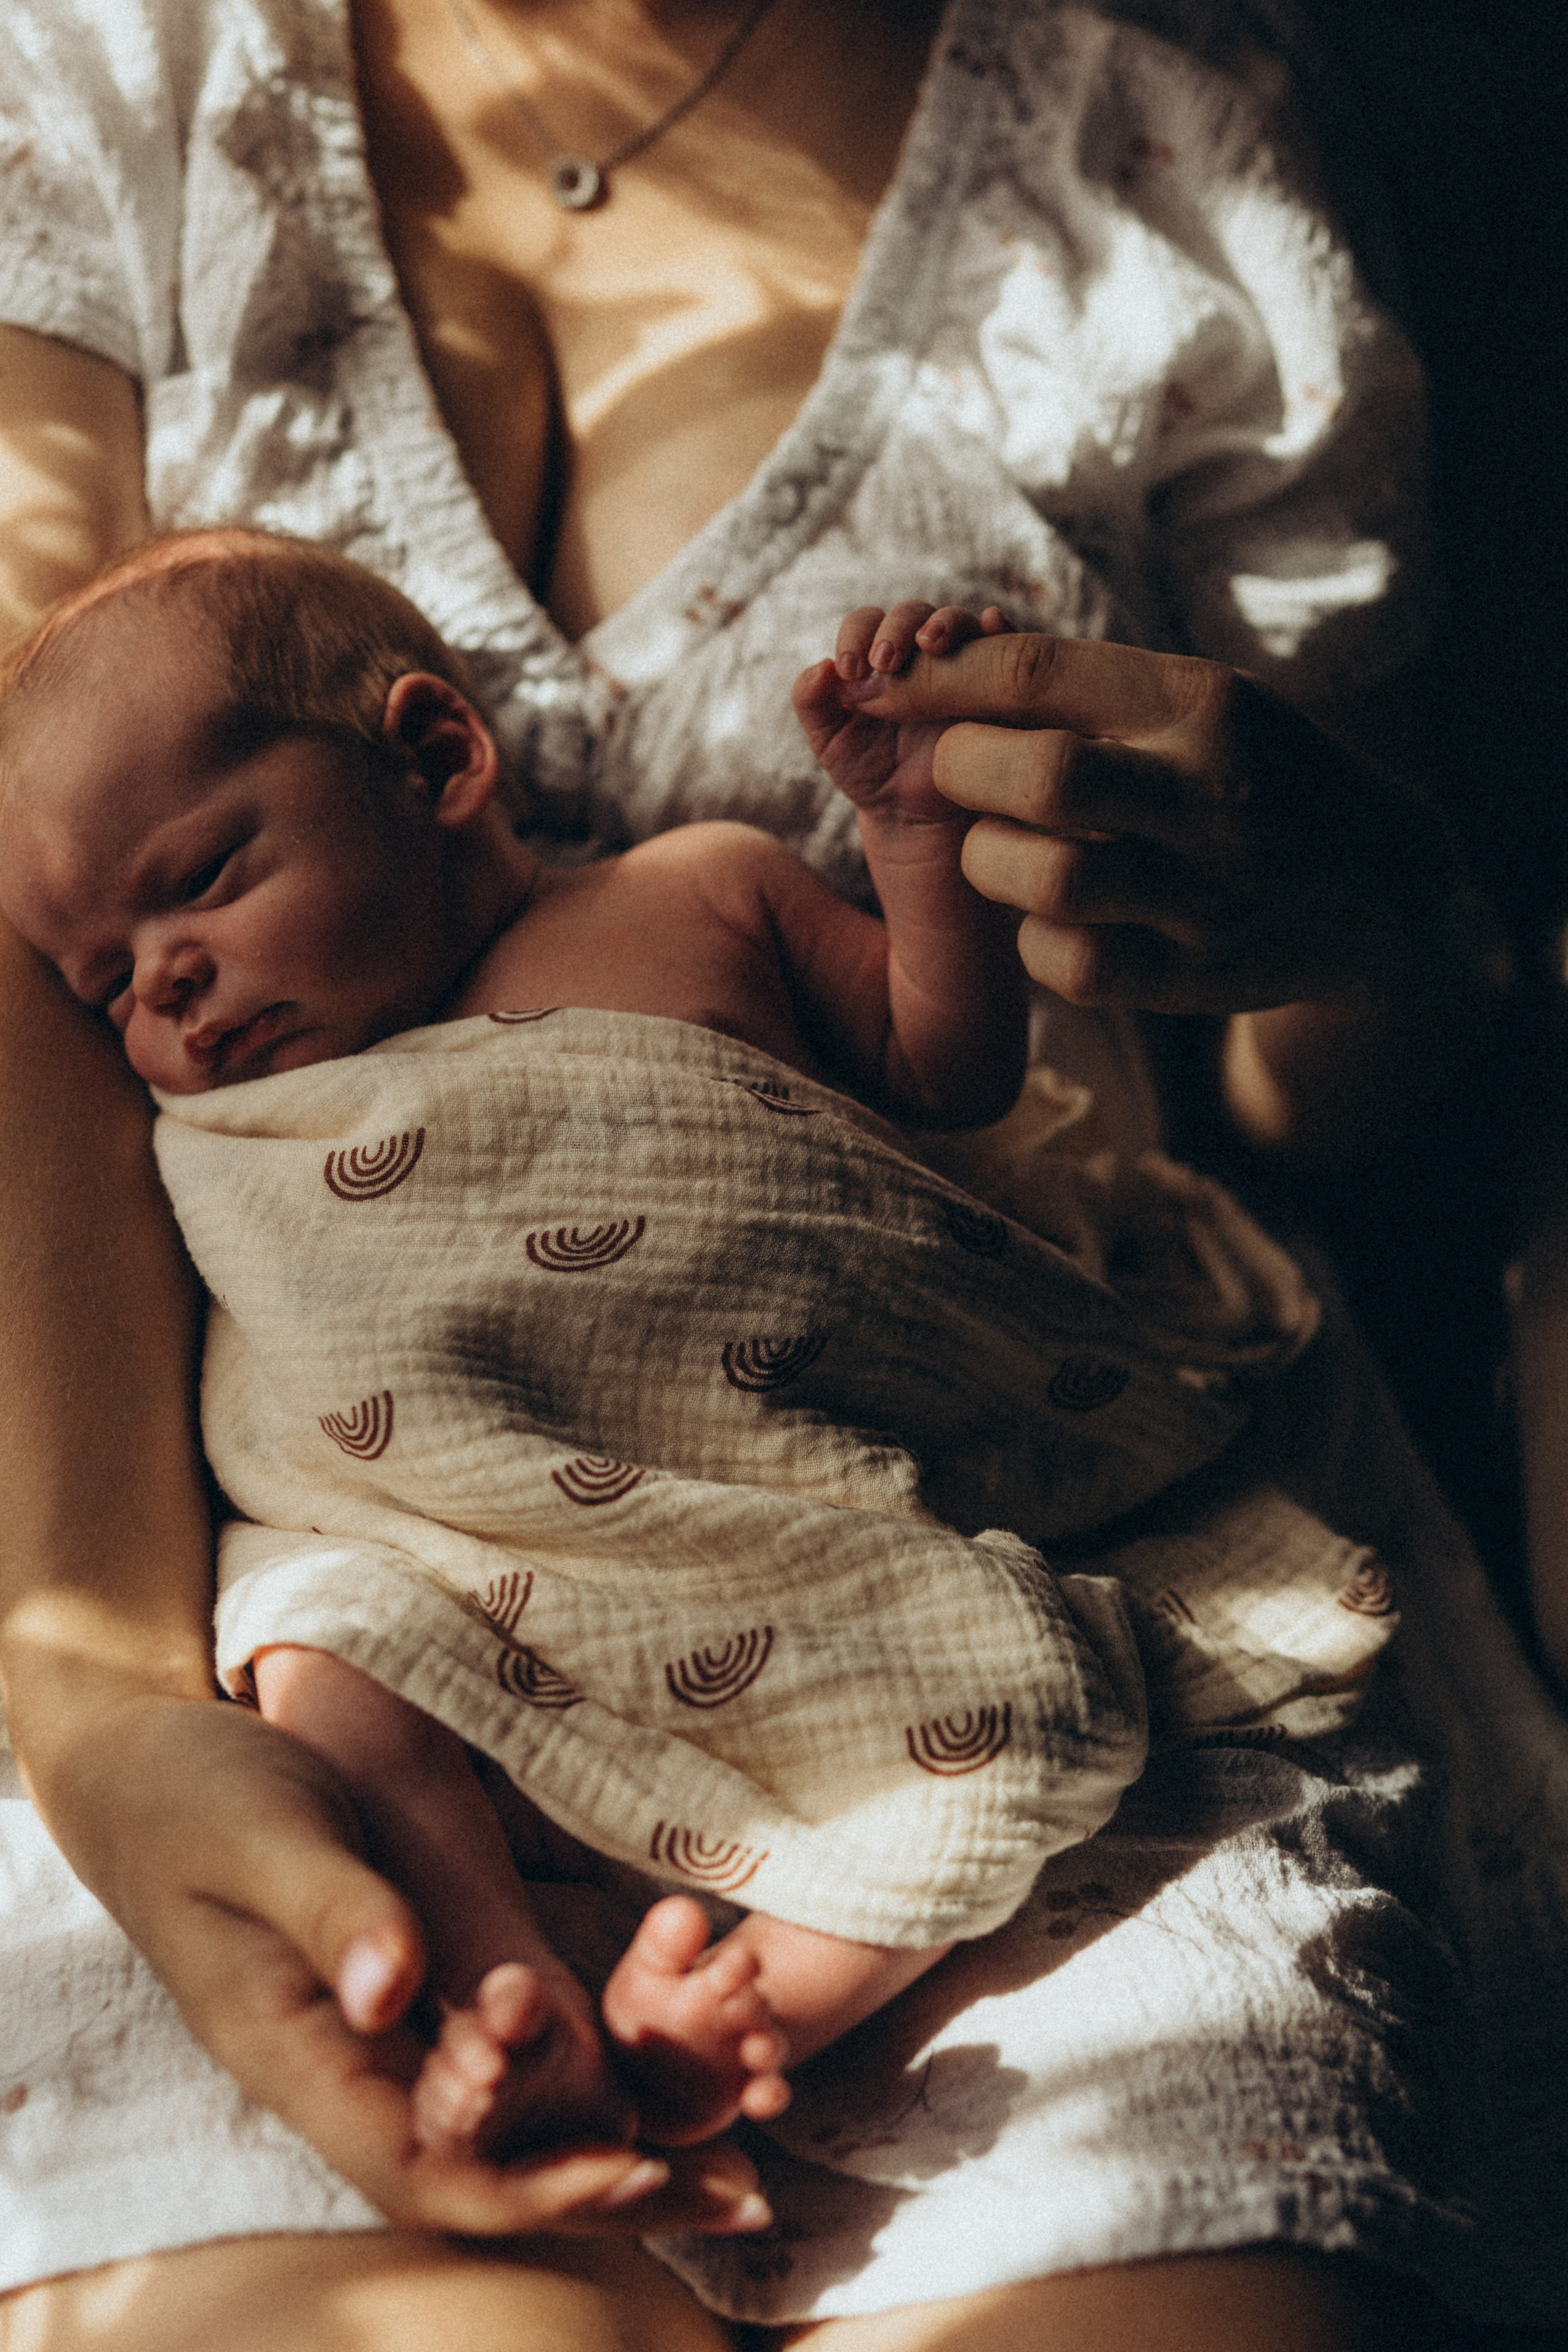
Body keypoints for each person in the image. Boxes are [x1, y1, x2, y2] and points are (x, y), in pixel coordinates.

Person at [2, 3, 1565, 2349]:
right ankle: (513, 1977)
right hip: (278, 1517)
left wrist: (1385, 926)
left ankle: (787, 1983)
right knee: (347, 1736)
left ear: (431, 762)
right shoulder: (102, 74)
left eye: (207, 884)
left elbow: (1299, 1092)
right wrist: (105, 1695)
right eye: (114, 967)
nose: (168, 998)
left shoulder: (1153, 137)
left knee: (1027, 1845)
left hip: (961, 1484)